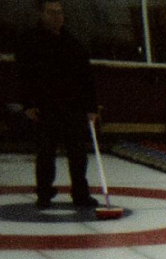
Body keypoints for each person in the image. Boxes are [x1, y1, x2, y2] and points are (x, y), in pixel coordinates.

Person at [15, 0, 99, 209]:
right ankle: (44, 193)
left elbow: (86, 78)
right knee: (45, 153)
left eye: (60, 12)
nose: (57, 16)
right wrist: (28, 105)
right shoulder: (30, 41)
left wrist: (91, 108)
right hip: (45, 107)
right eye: (52, 12)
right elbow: (23, 77)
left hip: (73, 108)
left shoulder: (73, 43)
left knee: (78, 154)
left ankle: (80, 193)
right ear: (42, 14)